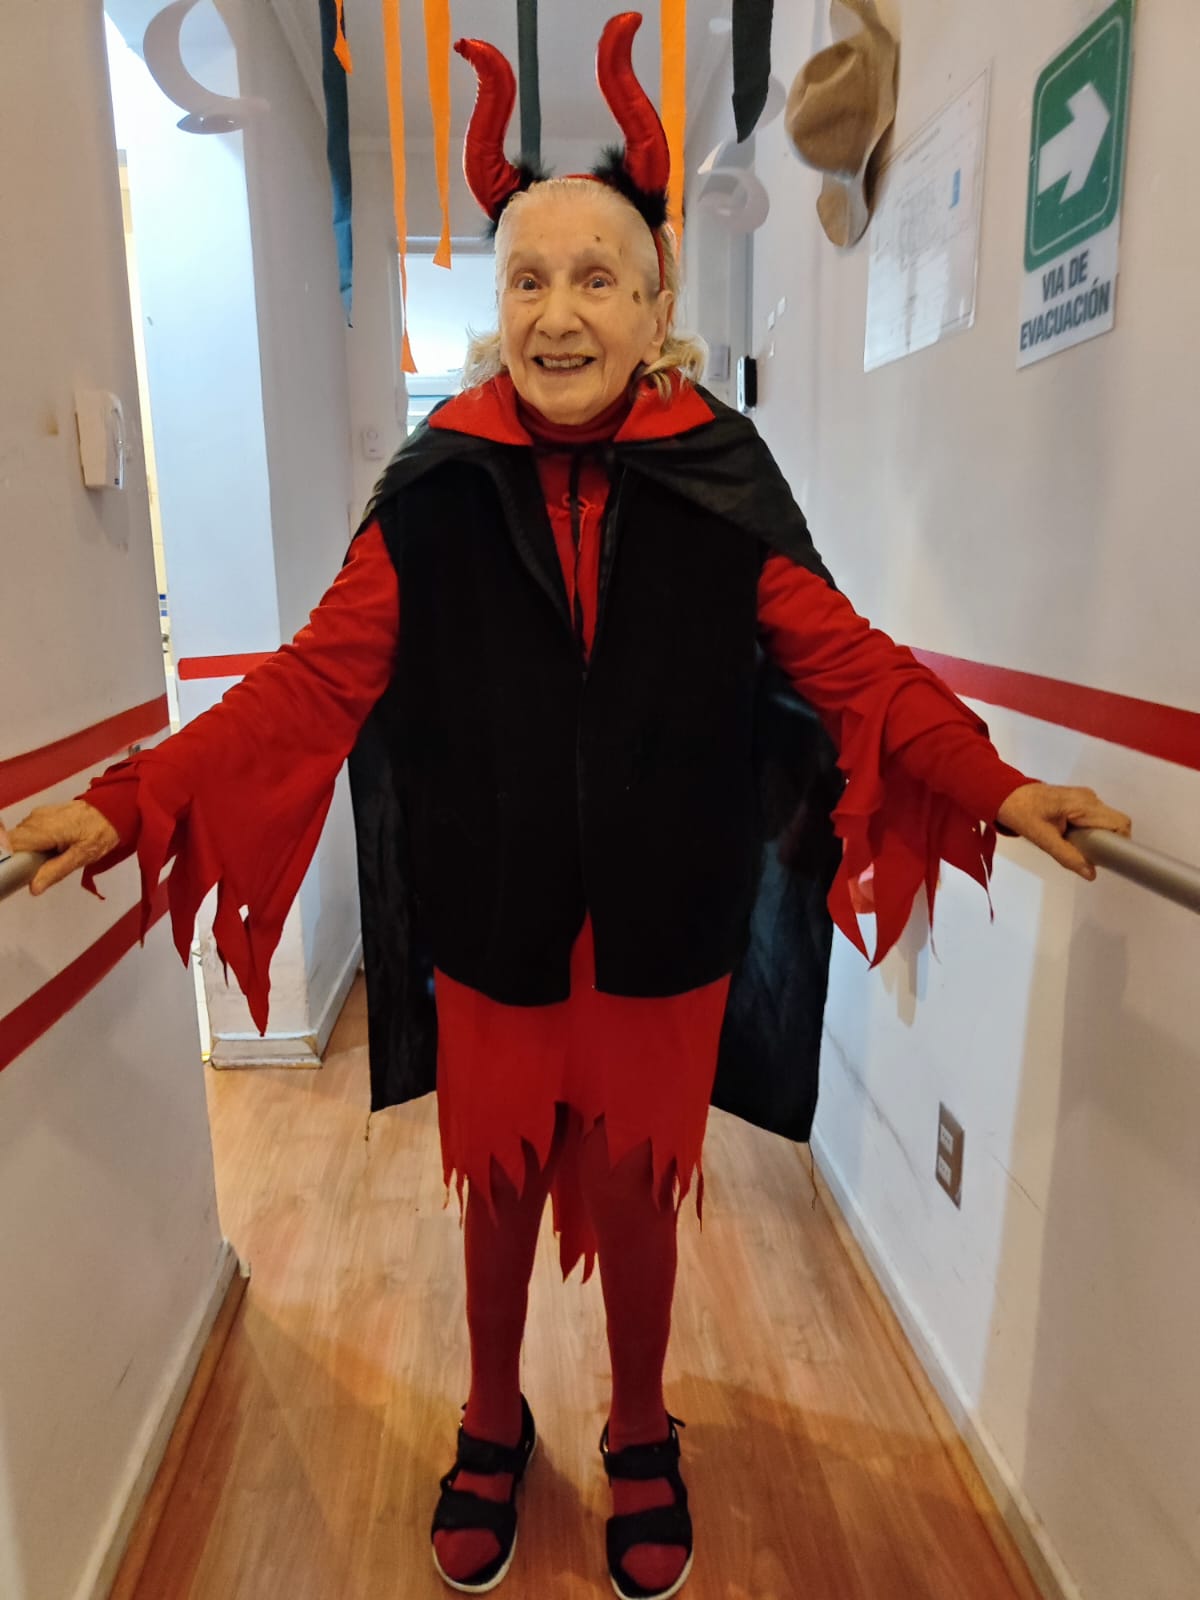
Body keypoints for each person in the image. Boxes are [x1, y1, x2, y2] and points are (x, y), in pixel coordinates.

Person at [3, 15, 1131, 1598]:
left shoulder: (721, 480)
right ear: (498, 312)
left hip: (661, 936)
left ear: (657, 309)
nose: (557, 311)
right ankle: (490, 1417)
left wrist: (995, 787)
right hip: (497, 926)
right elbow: (311, 686)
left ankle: (642, 1426)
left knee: (640, 1197)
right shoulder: (438, 487)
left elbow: (857, 667)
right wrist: (134, 803)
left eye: (597, 277)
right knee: (495, 1196)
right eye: (527, 279)